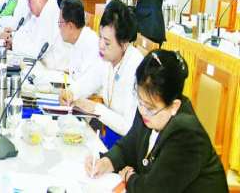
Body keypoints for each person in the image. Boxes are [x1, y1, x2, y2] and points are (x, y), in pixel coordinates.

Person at [85, 49, 228, 192]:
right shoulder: (149, 108)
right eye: (140, 101)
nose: (142, 111)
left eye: (149, 107)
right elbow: (129, 145)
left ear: (174, 106)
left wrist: (129, 177)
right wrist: (106, 162)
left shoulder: (187, 134)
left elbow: (154, 190)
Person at [64, 0, 144, 140]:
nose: (100, 45)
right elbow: (91, 79)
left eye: (107, 42)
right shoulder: (107, 59)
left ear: (124, 44)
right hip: (108, 133)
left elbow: (128, 127)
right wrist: (71, 92)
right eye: (100, 37)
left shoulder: (136, 67)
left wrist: (95, 108)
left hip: (127, 142)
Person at [9, 0, 68, 70]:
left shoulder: (50, 12)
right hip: (40, 65)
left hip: (52, 70)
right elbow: (26, 31)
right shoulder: (39, 11)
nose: (28, 4)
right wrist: (12, 38)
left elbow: (38, 52)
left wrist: (14, 43)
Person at [56, 0, 101, 93]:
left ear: (70, 26)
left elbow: (87, 84)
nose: (59, 27)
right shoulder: (77, 40)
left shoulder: (91, 43)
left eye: (60, 23)